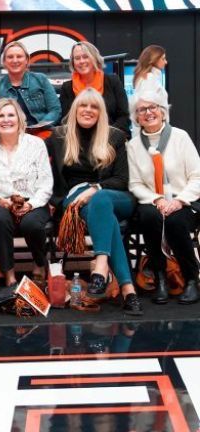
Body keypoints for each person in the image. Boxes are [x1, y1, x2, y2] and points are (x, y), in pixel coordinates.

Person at [46, 88, 142, 315]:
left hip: (114, 195)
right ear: (74, 109)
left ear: (101, 112)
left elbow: (121, 179)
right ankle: (129, 292)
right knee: (106, 220)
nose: (88, 110)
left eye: (94, 106)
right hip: (74, 197)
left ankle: (100, 265)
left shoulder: (115, 137)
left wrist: (96, 188)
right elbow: (45, 172)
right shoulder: (59, 137)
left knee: (99, 200)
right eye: (83, 105)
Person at [127, 87, 200, 304]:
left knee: (176, 222)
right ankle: (159, 278)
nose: (148, 113)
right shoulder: (132, 146)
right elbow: (135, 183)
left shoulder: (180, 137)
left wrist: (179, 201)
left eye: (153, 107)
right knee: (150, 217)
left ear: (162, 111)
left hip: (184, 199)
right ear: (136, 117)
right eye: (141, 110)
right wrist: (157, 200)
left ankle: (190, 279)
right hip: (152, 200)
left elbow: (197, 176)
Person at [0, 98, 53, 288]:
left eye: (11, 115)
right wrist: (0, 201)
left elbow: (46, 183)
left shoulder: (36, 144)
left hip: (34, 200)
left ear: (19, 119)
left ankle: (39, 264)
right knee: (0, 220)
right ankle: (9, 274)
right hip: (2, 202)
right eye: (1, 116)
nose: (6, 120)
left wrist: (31, 204)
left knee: (31, 224)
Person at [60, 41, 130, 138]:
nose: (81, 61)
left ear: (95, 58)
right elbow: (66, 120)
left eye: (85, 57)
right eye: (77, 58)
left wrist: (106, 136)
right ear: (73, 62)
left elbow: (124, 116)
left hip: (111, 137)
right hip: (80, 140)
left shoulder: (113, 81)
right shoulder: (67, 88)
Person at [0, 41, 61, 138]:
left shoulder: (41, 79)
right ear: (4, 62)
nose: (15, 60)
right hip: (11, 135)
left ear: (27, 60)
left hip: (42, 132)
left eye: (19, 56)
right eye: (10, 57)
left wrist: (40, 126)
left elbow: (55, 110)